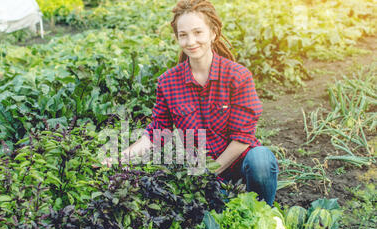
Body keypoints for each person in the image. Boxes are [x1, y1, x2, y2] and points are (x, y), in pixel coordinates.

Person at [101, 0, 278, 206]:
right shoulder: (168, 82)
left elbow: (242, 138)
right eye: (183, 35)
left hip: (238, 164)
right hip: (200, 171)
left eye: (198, 32)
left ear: (213, 33)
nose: (190, 41)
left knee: (262, 159)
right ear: (177, 38)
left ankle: (264, 211)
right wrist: (120, 157)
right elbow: (157, 132)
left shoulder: (237, 76)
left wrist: (208, 173)